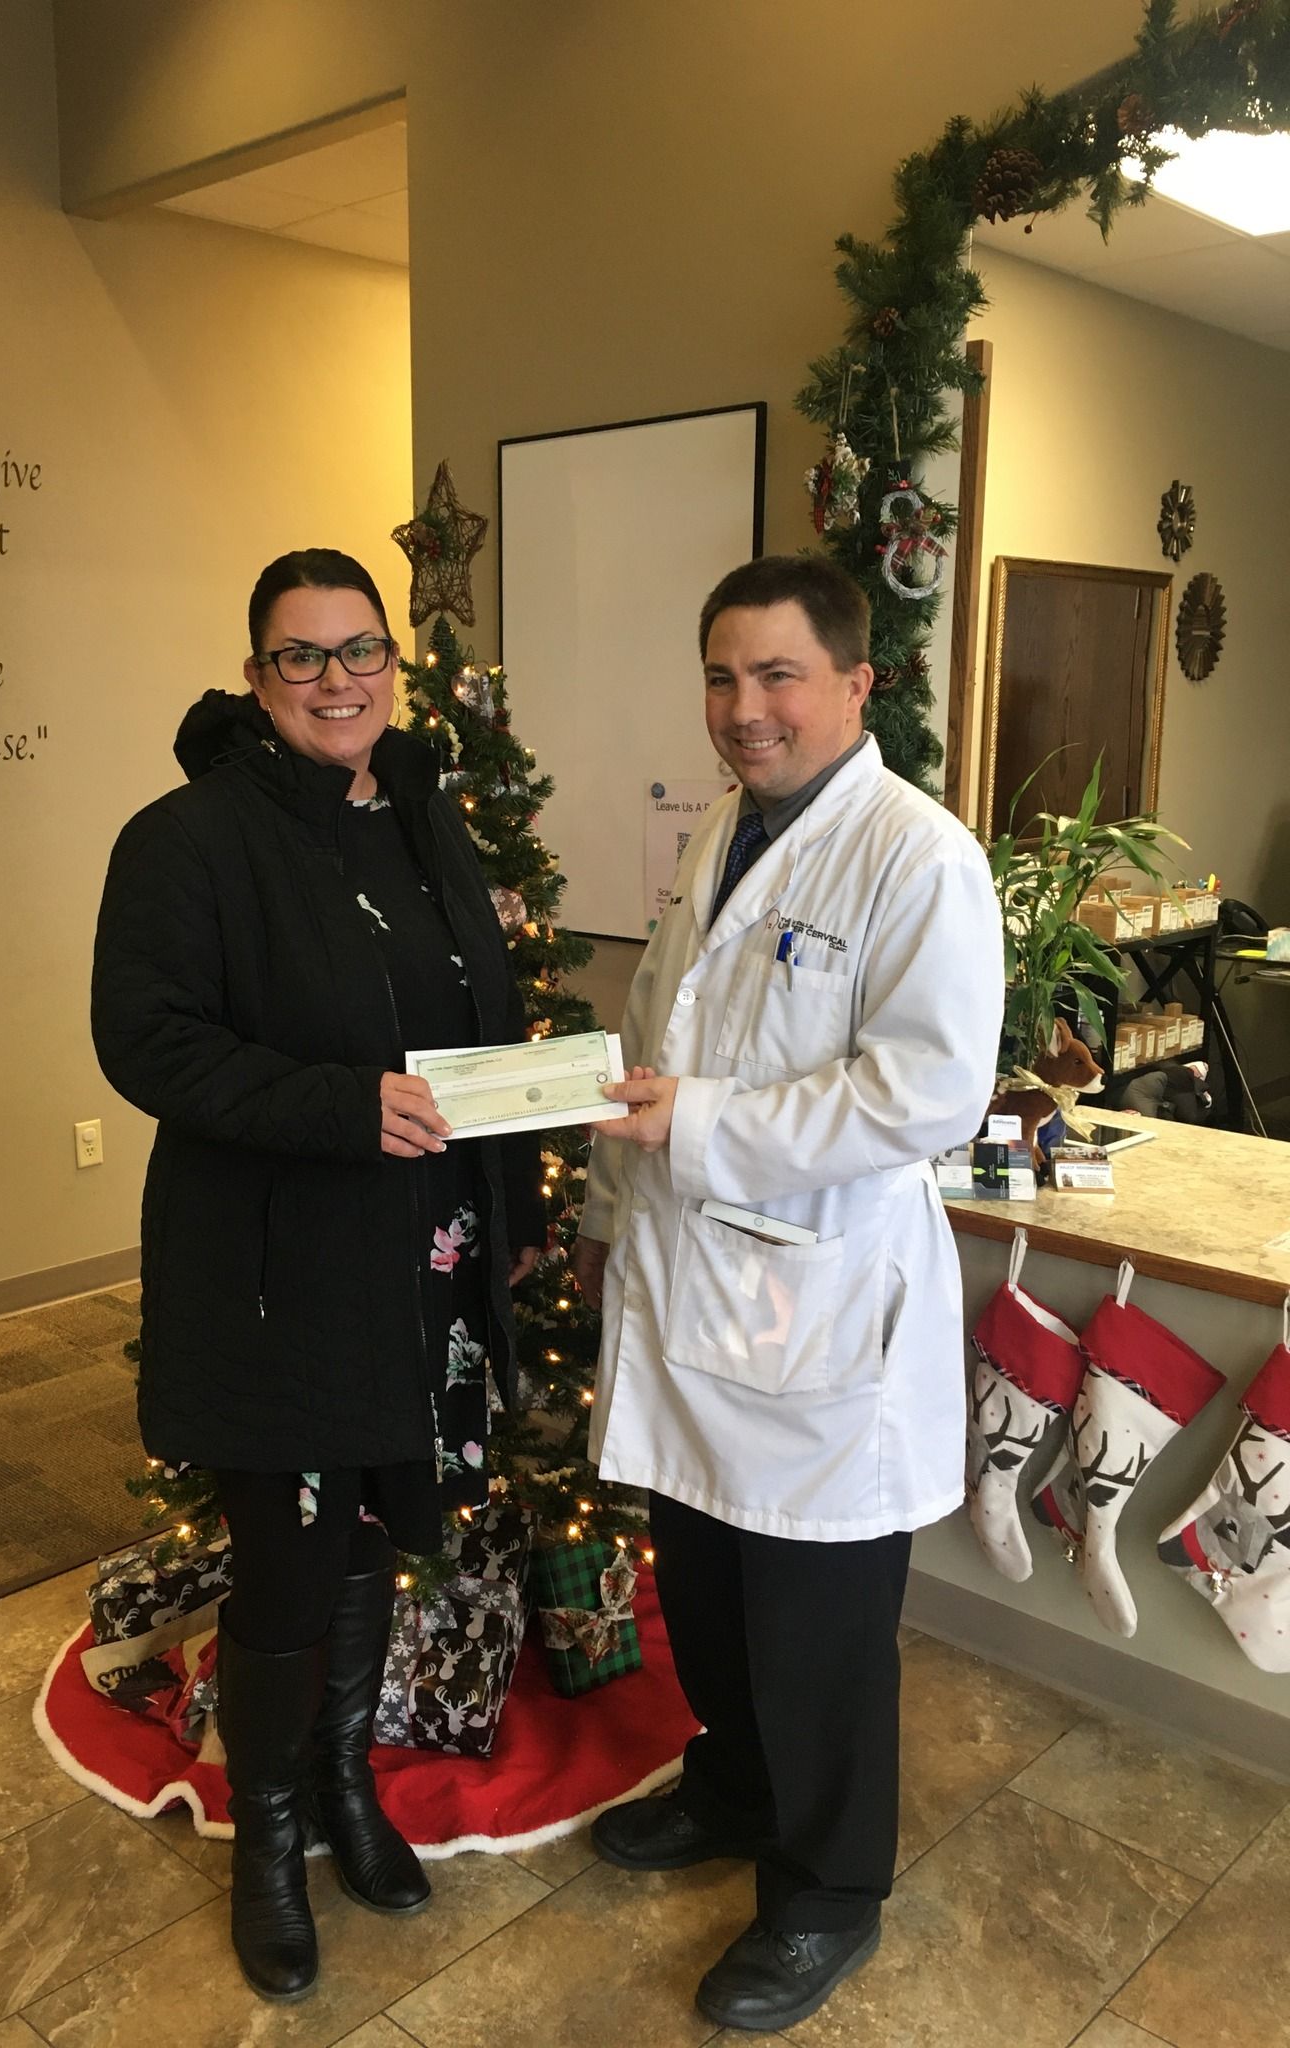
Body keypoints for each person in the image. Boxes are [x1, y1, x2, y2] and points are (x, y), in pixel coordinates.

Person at [92, 548, 541, 2004]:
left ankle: (347, 1787)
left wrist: (511, 1188)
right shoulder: (188, 838)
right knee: (289, 1554)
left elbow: (485, 1009)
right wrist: (340, 1106)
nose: (338, 678)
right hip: (276, 1268)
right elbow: (147, 1043)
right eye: (302, 656)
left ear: (395, 665)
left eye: (362, 651)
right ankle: (268, 1835)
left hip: (419, 1259)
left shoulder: (421, 816)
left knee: (379, 1521)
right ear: (255, 677)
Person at [574, 554, 1003, 2033]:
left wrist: (692, 1128)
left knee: (815, 1627)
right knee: (705, 1586)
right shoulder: (724, 836)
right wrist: (613, 1202)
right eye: (721, 678)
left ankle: (826, 1894)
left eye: (776, 677)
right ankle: (734, 1789)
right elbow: (655, 1024)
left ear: (855, 683)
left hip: (820, 1319)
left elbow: (926, 1094)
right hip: (694, 1291)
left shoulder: (915, 856)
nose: (744, 710)